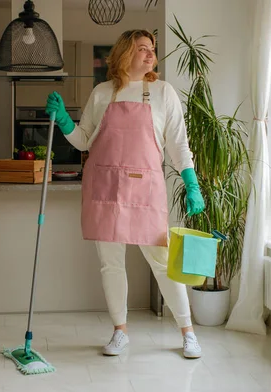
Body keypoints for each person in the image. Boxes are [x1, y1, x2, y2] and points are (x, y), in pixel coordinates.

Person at [45, 29, 205, 359]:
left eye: (152, 49)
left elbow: (178, 145)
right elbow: (84, 140)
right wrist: (63, 121)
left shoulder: (163, 92)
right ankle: (120, 331)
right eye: (142, 49)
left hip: (145, 189)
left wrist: (192, 183)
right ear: (124, 54)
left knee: (162, 263)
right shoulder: (102, 93)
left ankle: (187, 332)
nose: (150, 55)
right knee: (111, 264)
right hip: (105, 187)